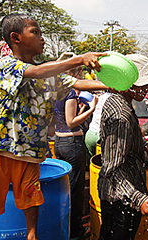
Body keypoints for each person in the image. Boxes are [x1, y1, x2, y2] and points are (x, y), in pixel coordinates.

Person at [0, 13, 110, 240]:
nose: (42, 38)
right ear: (15, 38)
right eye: (35, 32)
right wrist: (79, 59)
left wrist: (111, 85)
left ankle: (32, 236)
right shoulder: (9, 65)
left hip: (29, 151)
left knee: (31, 199)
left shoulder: (50, 73)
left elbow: (77, 83)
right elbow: (35, 72)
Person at [98, 53, 148, 240]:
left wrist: (140, 143)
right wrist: (137, 198)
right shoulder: (121, 116)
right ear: (126, 82)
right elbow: (112, 168)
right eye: (144, 84)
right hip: (121, 198)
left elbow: (116, 144)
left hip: (117, 193)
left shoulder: (117, 101)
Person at [53, 65, 97, 238]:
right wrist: (92, 109)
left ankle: (65, 224)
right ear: (73, 75)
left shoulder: (58, 91)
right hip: (72, 143)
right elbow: (71, 122)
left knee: (65, 187)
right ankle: (75, 230)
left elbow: (64, 117)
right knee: (75, 189)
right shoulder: (70, 92)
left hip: (59, 142)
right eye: (79, 74)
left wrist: (82, 109)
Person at [84, 91, 112, 161]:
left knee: (91, 163)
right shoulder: (114, 100)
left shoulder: (98, 97)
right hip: (102, 136)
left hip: (90, 134)